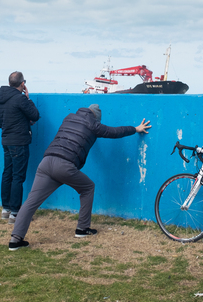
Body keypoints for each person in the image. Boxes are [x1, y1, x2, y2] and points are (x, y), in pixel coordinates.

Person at [8, 104, 151, 251]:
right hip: (65, 165)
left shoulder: (69, 118)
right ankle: (82, 229)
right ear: (96, 118)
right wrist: (135, 129)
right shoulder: (94, 125)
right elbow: (114, 132)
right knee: (88, 188)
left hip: (46, 162)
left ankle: (15, 239)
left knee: (31, 201)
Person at [0, 71, 40, 224]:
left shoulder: (1, 99)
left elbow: (1, 123)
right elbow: (35, 115)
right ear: (22, 84)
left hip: (6, 141)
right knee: (18, 177)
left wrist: (24, 121)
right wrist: (28, 98)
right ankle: (15, 213)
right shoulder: (21, 99)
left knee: (7, 173)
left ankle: (5, 209)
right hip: (19, 143)